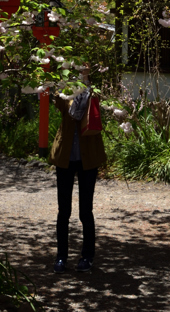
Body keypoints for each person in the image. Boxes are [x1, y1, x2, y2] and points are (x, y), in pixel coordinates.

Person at [48, 87, 106, 273]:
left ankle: (87, 256)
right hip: (65, 157)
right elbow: (59, 103)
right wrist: (69, 87)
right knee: (63, 211)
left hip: (88, 157)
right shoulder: (64, 92)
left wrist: (87, 87)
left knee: (85, 211)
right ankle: (61, 257)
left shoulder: (93, 92)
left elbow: (97, 108)